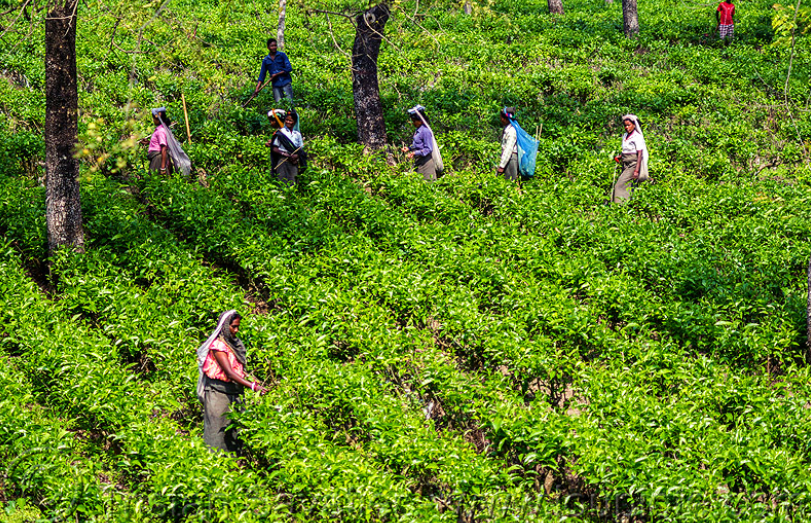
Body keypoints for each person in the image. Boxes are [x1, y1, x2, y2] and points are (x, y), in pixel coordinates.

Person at [196, 310, 267, 453]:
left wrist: (248, 377)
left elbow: (236, 368)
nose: (236, 330)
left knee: (236, 432)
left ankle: (234, 468)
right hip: (218, 393)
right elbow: (229, 372)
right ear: (224, 326)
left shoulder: (234, 344)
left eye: (238, 327)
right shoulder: (218, 346)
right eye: (233, 327)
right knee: (216, 432)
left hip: (235, 393)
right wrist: (253, 387)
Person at [612, 114, 649, 204]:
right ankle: (628, 205)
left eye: (629, 125)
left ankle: (619, 206)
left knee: (619, 186)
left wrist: (636, 170)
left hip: (633, 164)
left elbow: (639, 154)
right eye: (625, 125)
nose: (627, 127)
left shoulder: (637, 137)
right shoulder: (625, 136)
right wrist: (619, 157)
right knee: (628, 186)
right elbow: (627, 150)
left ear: (634, 125)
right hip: (625, 164)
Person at [267, 110, 304, 184]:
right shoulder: (280, 133)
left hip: (293, 162)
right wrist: (285, 154)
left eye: (290, 120)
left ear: (294, 121)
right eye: (287, 120)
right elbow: (275, 148)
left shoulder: (297, 134)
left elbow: (300, 148)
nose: (288, 122)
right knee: (281, 182)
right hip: (282, 161)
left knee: (292, 182)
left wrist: (296, 156)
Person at [401, 105, 436, 182]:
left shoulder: (425, 131)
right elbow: (418, 144)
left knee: (429, 185)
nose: (413, 123)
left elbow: (428, 149)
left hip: (426, 164)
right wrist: (409, 148)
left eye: (414, 121)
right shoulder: (418, 130)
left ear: (420, 120)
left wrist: (414, 153)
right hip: (418, 162)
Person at [254, 38, 294, 103]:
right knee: (279, 105)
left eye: (275, 45)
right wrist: (257, 88)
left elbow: (289, 68)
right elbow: (262, 75)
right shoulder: (266, 60)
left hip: (286, 82)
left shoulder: (282, 55)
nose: (274, 47)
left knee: (290, 103)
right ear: (268, 47)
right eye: (272, 46)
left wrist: (277, 74)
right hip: (276, 85)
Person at [143, 108, 172, 174]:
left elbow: (164, 148)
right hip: (158, 157)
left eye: (154, 119)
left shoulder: (161, 131)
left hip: (158, 158)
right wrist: (149, 143)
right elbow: (160, 143)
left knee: (153, 179)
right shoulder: (161, 129)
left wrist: (163, 167)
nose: (153, 121)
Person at [497, 107, 519, 181]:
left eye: (501, 118)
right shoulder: (508, 130)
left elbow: (508, 150)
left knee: (510, 183)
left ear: (505, 119)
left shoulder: (512, 131)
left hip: (511, 160)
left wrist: (501, 166)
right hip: (509, 159)